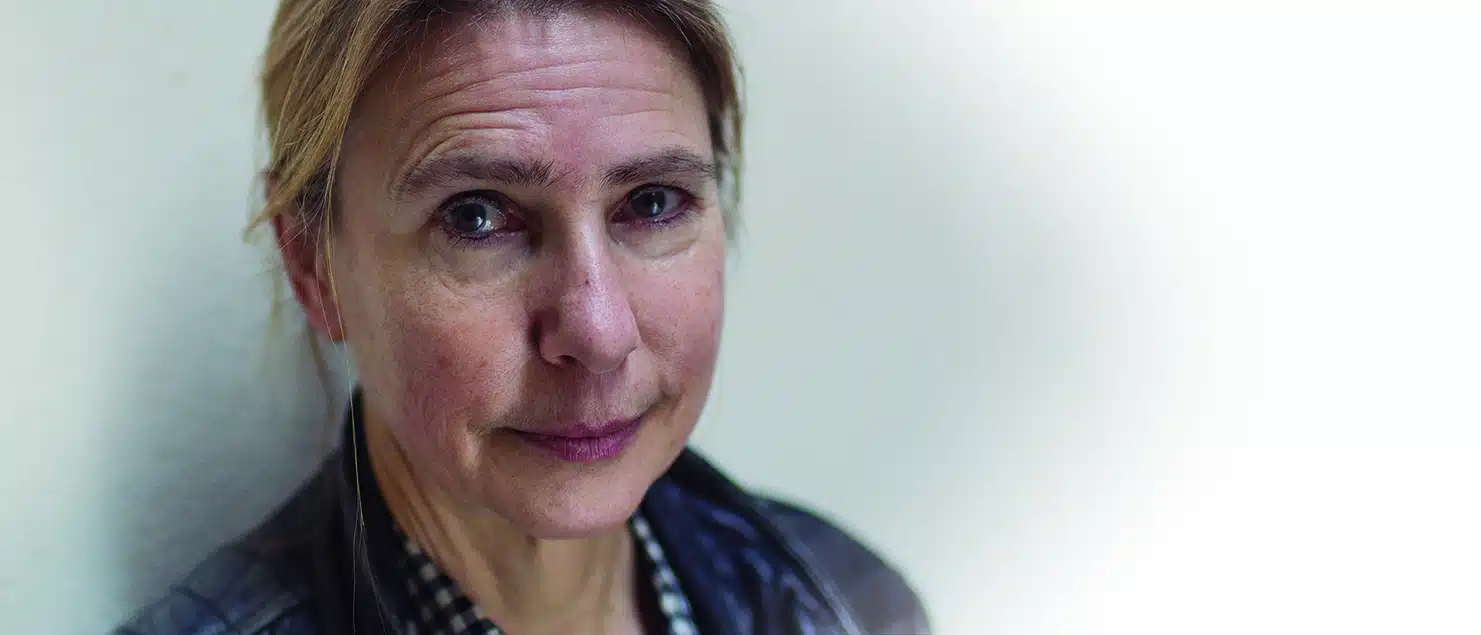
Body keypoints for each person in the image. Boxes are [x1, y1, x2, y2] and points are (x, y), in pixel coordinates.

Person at [113, 1, 929, 633]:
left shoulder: (852, 601)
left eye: (652, 202)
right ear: (313, 266)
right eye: (476, 217)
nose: (599, 332)